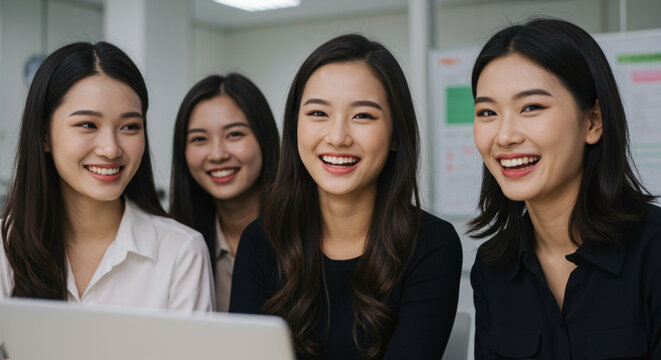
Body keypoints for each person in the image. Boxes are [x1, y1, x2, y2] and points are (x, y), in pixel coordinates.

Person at [229, 34, 462, 359]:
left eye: (363, 116)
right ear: (295, 126)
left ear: (395, 134)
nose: (338, 137)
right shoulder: (262, 240)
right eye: (318, 114)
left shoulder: (431, 244)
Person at [469, 18, 660, 359]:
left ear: (593, 122)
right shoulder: (492, 267)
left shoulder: (654, 253)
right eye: (487, 112)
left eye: (532, 107)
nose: (504, 135)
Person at [0, 41, 214, 311]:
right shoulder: (5, 247)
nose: (111, 149)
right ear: (44, 135)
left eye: (129, 127)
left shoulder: (181, 251)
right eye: (87, 125)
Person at [169, 73, 279, 312]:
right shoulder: (176, 246)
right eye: (199, 139)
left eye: (234, 134)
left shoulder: (309, 237)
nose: (217, 154)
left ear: (264, 138)